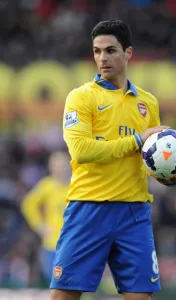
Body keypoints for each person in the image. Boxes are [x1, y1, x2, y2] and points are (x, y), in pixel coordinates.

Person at [50, 20, 176, 300]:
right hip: (89, 208)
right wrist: (136, 140)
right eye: (97, 51)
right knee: (63, 296)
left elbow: (149, 158)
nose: (102, 58)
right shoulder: (81, 97)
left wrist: (167, 173)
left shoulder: (148, 103)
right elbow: (81, 150)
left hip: (134, 214)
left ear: (128, 53)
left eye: (110, 51)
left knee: (140, 297)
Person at [21, 151, 70, 283]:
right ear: (51, 167)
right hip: (52, 244)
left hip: (73, 243)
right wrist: (40, 227)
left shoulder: (76, 185)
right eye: (56, 165)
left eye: (63, 165)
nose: (60, 168)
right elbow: (28, 205)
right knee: (57, 283)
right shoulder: (47, 186)